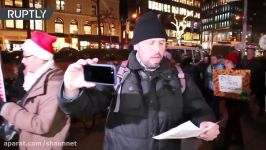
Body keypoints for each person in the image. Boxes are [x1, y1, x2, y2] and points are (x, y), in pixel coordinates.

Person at [58, 11, 220, 150]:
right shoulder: (118, 75)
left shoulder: (179, 76)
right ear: (136, 45)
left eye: (162, 43)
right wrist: (70, 90)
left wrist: (205, 122)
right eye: (151, 43)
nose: (157, 49)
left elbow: (199, 108)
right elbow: (85, 108)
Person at [0, 31, 70, 150]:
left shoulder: (53, 84)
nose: (22, 61)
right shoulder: (34, 77)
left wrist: (6, 108)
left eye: (26, 56)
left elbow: (41, 124)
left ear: (40, 58)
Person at [222, 51, 244, 149]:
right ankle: (239, 141)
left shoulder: (238, 74)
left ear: (233, 63)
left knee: (230, 124)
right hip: (230, 103)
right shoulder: (227, 73)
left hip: (237, 105)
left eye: (227, 62)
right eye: (225, 62)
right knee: (235, 123)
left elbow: (242, 91)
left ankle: (224, 143)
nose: (225, 64)